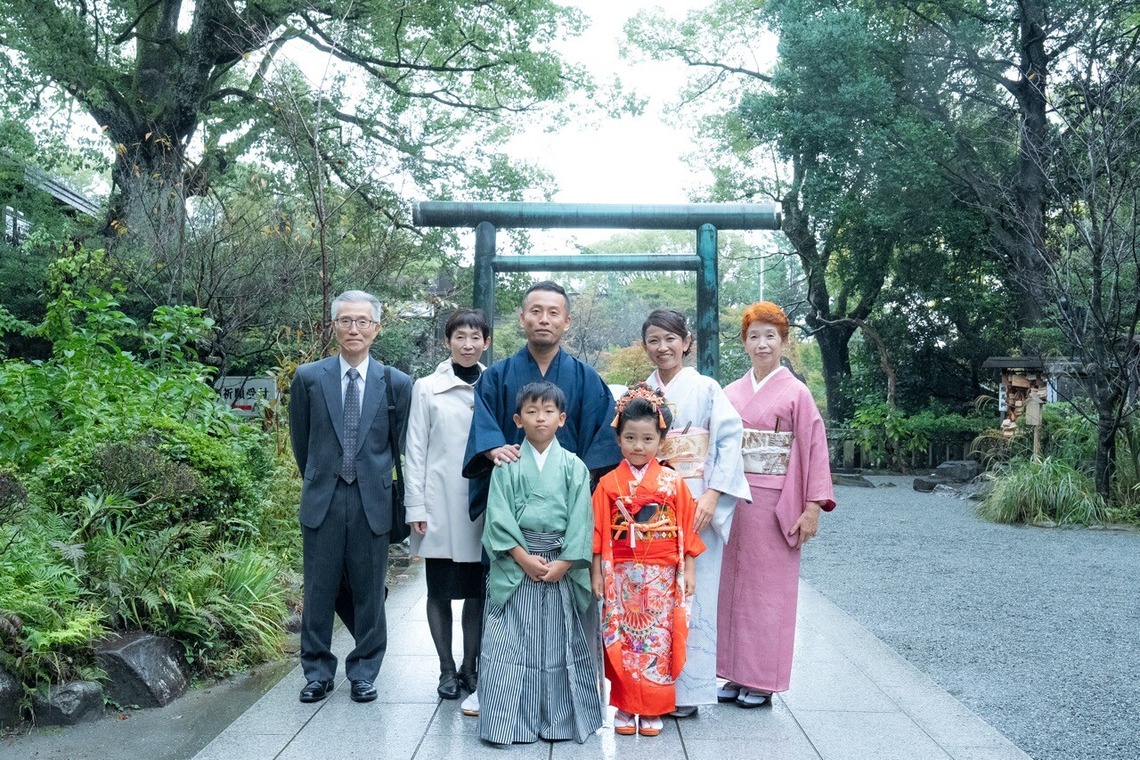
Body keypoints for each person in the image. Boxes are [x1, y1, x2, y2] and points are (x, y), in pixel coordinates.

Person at [288, 290, 412, 704]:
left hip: (372, 500)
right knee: (318, 589)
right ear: (334, 326)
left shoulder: (396, 383)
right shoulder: (309, 377)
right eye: (345, 321)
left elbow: (399, 445)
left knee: (370, 588)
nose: (353, 328)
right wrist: (321, 478)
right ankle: (317, 672)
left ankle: (364, 670)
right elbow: (301, 443)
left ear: (376, 328)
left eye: (362, 321)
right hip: (323, 495)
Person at [718, 301, 835, 707]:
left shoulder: (796, 392)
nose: (762, 343)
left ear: (784, 342)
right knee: (729, 588)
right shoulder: (730, 392)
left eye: (771, 336)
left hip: (775, 500)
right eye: (754, 336)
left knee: (768, 593)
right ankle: (733, 671)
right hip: (733, 499)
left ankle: (763, 680)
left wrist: (812, 506)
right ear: (745, 343)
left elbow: (815, 447)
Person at [478, 381, 604, 745]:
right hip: (518, 564)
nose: (540, 418)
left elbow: (582, 520)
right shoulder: (507, 465)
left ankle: (561, 723)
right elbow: (497, 518)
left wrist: (565, 562)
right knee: (509, 646)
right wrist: (520, 557)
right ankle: (510, 723)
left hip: (560, 566)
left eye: (548, 411)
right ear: (518, 420)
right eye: (531, 412)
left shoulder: (574, 466)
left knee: (558, 647)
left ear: (562, 419)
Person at [642, 308, 749, 717]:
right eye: (654, 339)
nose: (663, 347)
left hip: (699, 495)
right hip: (653, 502)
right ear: (646, 346)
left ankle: (689, 692)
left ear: (687, 342)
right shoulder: (641, 392)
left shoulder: (705, 388)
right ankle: (651, 686)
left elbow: (728, 442)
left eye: (671, 338)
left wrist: (713, 495)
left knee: (696, 593)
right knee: (652, 595)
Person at [591, 383, 704, 737]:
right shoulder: (608, 483)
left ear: (661, 440)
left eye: (647, 439)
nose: (639, 446)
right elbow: (597, 533)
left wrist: (689, 568)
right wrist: (596, 572)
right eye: (630, 438)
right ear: (619, 439)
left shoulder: (673, 483)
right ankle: (625, 707)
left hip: (661, 576)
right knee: (625, 640)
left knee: (658, 640)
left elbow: (686, 528)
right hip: (621, 574)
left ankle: (653, 708)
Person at [403, 308, 489, 703]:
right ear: (447, 342)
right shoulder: (425, 387)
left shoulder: (494, 383)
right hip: (438, 503)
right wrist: (415, 507)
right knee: (439, 591)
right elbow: (414, 449)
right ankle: (446, 669)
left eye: (475, 337)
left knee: (477, 592)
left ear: (486, 342)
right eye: (460, 337)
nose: (468, 345)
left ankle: (472, 666)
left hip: (482, 504)